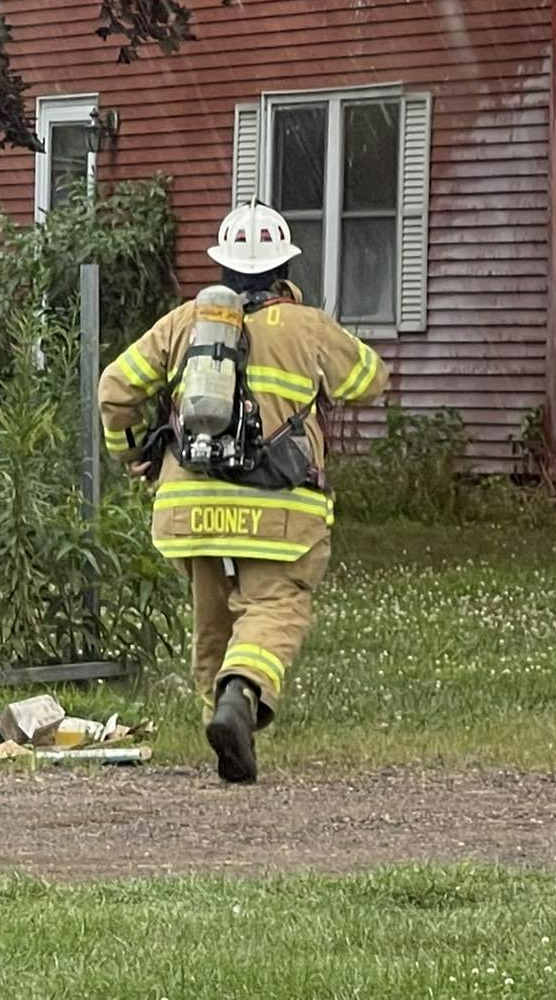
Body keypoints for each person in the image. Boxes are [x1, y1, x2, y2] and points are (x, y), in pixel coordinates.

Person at [98, 203, 387, 783]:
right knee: (277, 605)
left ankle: (227, 734)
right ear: (283, 265)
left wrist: (135, 453)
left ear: (222, 266)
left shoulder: (185, 323)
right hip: (279, 507)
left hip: (192, 508)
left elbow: (114, 388)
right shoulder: (306, 327)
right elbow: (370, 381)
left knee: (212, 622)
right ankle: (240, 695)